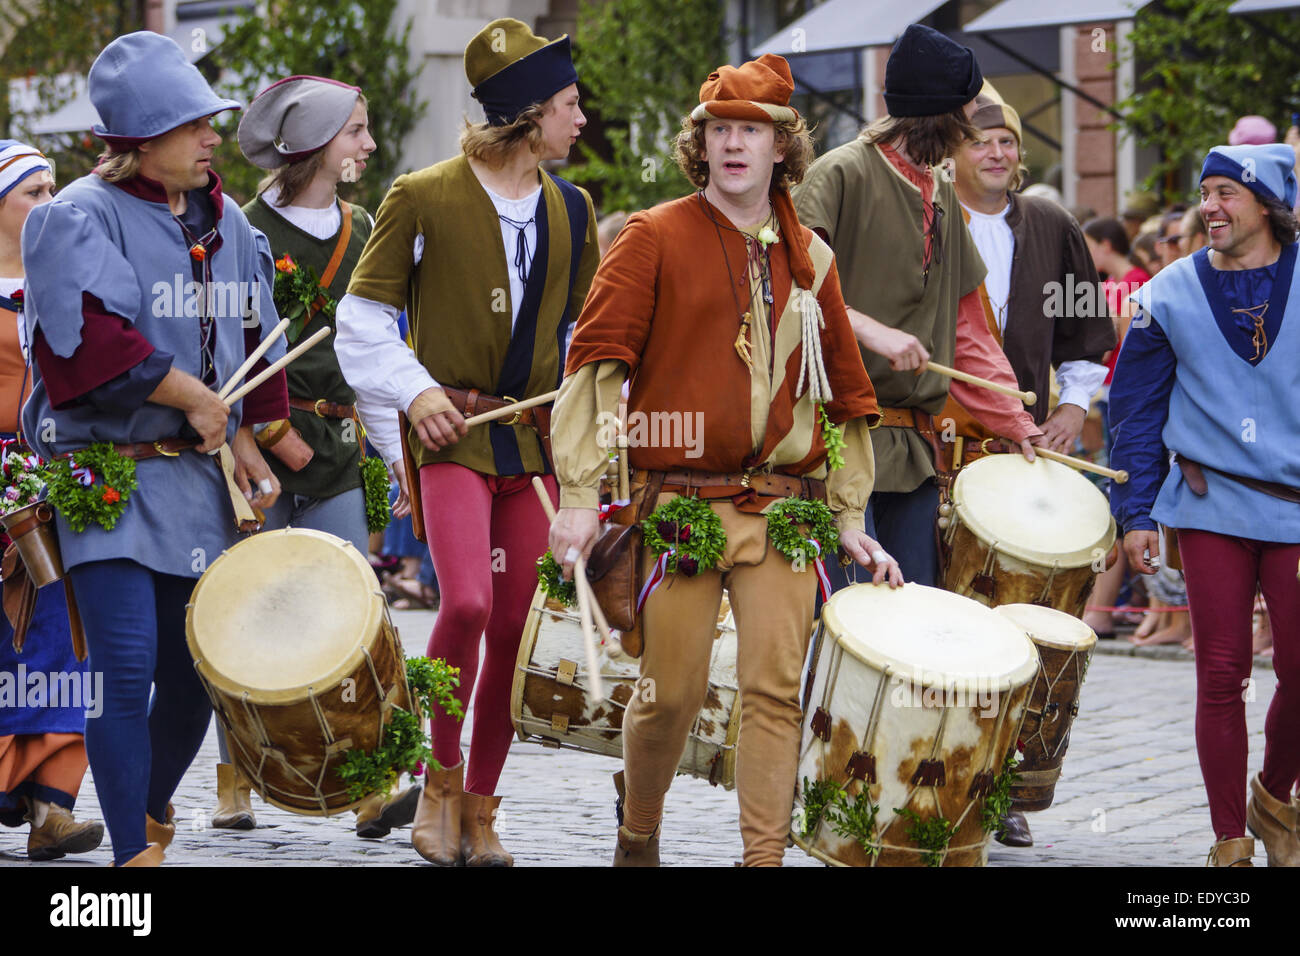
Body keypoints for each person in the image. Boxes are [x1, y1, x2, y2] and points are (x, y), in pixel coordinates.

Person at [548, 52, 897, 867]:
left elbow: (845, 395)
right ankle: (639, 833)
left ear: (783, 148)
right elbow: (598, 366)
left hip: (782, 505)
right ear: (699, 144)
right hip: (678, 501)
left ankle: (762, 859)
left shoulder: (814, 257)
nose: (735, 144)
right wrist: (577, 492)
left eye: (754, 130)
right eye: (721, 129)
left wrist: (848, 515)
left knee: (776, 694)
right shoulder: (651, 236)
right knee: (669, 695)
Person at [19, 32, 288, 866]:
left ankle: (147, 804)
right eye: (195, 124)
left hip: (200, 486)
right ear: (141, 141)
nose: (213, 136)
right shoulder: (74, 217)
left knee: (199, 677)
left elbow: (253, 337)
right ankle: (133, 858)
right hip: (107, 479)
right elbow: (85, 350)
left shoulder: (229, 218)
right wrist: (191, 398)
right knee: (126, 667)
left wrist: (246, 439)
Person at [335, 17, 599, 866]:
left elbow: (587, 338)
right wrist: (415, 396)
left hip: (529, 445)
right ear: (527, 116)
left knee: (519, 628)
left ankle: (482, 808)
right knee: (469, 603)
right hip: (451, 436)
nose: (581, 119)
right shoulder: (422, 194)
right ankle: (437, 781)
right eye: (568, 103)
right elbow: (362, 319)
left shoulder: (573, 207)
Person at [792, 24, 1044, 590]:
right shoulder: (840, 173)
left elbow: (969, 329)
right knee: (836, 625)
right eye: (969, 107)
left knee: (914, 621)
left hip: (911, 454)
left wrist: (1014, 421)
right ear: (940, 113)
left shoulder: (944, 192)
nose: (976, 119)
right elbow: (792, 292)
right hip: (832, 444)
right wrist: (873, 333)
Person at [234, 75, 420, 838]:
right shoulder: (240, 230)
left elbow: (376, 355)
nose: (369, 146)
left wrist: (396, 453)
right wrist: (266, 435)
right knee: (252, 615)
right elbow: (229, 351)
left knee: (352, 619)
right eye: (356, 132)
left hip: (341, 452)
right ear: (314, 144)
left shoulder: (368, 225)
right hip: (260, 457)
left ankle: (372, 785)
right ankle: (233, 778)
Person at [1110, 143, 1300, 867]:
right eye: (1206, 192)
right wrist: (1134, 516)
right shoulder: (1166, 293)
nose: (1210, 207)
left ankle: (1275, 794)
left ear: (1268, 206)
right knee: (1222, 673)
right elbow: (1132, 411)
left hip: (1296, 506)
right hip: (1209, 502)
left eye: (1227, 192)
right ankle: (1230, 842)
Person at [943, 85, 1115, 848]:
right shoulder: (929, 217)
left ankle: (998, 783)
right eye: (982, 140)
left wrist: (1073, 408)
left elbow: (1085, 332)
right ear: (953, 150)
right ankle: (932, 775)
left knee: (1017, 619)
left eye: (1008, 141)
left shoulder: (1051, 225)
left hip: (1023, 454)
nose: (998, 152)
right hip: (935, 448)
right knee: (940, 616)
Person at [0, 140, 104, 861]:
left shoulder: (67, 282)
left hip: (60, 479)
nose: (48, 203)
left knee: (69, 642)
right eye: (32, 193)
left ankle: (53, 812)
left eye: (52, 190)